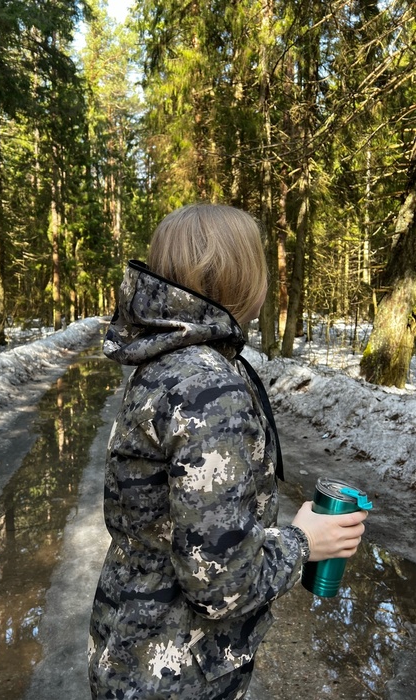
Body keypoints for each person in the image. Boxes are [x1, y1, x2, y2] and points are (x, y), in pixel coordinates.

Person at [88, 203, 367, 700]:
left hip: (129, 644)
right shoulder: (206, 386)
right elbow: (220, 584)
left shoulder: (167, 360)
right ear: (240, 277)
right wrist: (305, 542)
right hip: (175, 676)